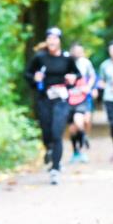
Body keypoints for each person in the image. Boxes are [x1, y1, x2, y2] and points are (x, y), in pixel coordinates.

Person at [25, 28, 79, 185]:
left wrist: (72, 77)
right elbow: (27, 74)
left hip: (61, 99)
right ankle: (49, 149)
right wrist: (35, 78)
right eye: (49, 38)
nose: (52, 41)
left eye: (55, 38)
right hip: (44, 99)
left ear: (59, 41)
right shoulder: (40, 58)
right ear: (46, 41)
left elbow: (77, 75)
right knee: (46, 131)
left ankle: (55, 169)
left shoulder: (67, 59)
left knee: (57, 132)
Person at [67, 41, 97, 163]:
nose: (78, 54)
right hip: (68, 99)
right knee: (72, 129)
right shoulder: (65, 62)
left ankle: (84, 139)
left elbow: (93, 76)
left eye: (80, 52)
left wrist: (89, 87)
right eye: (75, 52)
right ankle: (76, 152)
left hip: (82, 98)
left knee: (81, 121)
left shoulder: (86, 63)